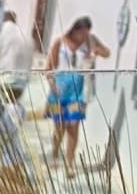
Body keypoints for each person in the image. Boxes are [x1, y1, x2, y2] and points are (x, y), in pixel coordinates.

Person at [45, 15, 110, 171]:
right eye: (81, 33)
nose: (83, 37)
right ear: (74, 30)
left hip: (78, 92)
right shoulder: (60, 43)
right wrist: (53, 86)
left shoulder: (90, 41)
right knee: (59, 127)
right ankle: (54, 154)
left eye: (86, 33)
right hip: (59, 91)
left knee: (73, 127)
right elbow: (49, 68)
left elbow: (107, 52)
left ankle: (70, 163)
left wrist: (95, 50)